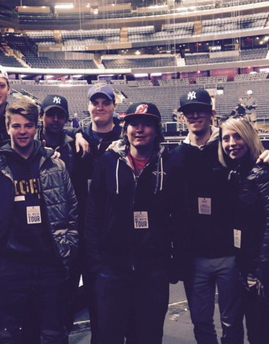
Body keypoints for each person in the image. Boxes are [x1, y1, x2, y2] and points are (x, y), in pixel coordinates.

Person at [169, 88, 269, 344]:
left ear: (212, 114)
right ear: (182, 117)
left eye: (200, 109)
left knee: (232, 323)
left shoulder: (226, 149)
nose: (194, 115)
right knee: (202, 323)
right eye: (189, 111)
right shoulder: (174, 156)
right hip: (194, 257)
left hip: (231, 254)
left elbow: (257, 164)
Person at [0, 98, 78, 343]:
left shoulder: (56, 165)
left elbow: (72, 209)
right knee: (8, 334)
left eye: (28, 126)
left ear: (36, 128)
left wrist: (69, 247)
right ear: (7, 128)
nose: (22, 132)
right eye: (16, 126)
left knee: (53, 332)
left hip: (50, 262)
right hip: (9, 265)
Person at [85, 102, 172, 344]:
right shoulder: (107, 162)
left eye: (146, 124)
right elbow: (93, 213)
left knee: (148, 335)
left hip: (152, 270)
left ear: (156, 129)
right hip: (112, 269)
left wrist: (170, 261)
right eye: (134, 124)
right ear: (126, 128)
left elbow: (177, 214)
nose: (139, 129)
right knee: (109, 335)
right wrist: (96, 261)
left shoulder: (169, 164)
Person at [218, 117, 269, 344]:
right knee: (258, 336)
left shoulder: (265, 171)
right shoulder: (239, 173)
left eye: (237, 136)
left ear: (249, 138)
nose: (231, 143)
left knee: (264, 337)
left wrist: (262, 274)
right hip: (251, 272)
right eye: (226, 138)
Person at [74, 83, 122, 343]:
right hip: (85, 230)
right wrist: (77, 133)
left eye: (105, 103)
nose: (100, 107)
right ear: (88, 106)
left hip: (117, 231)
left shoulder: (127, 139)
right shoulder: (78, 139)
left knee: (120, 300)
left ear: (114, 106)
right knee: (93, 297)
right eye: (96, 102)